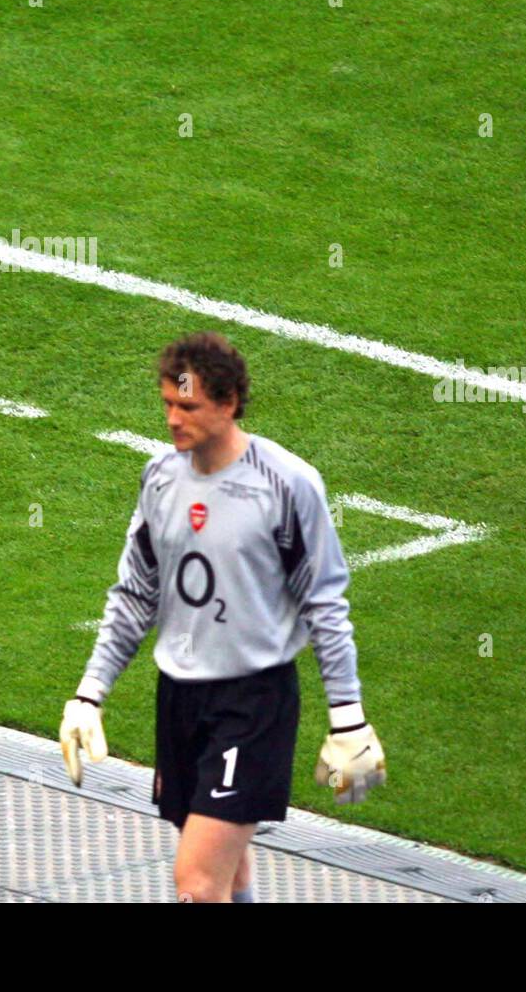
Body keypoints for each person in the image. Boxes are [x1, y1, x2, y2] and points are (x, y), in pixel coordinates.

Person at [59, 331, 386, 901]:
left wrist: (349, 719)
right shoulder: (160, 478)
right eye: (166, 404)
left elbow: (325, 604)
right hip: (180, 697)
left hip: (252, 704)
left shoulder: (287, 485)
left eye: (187, 406)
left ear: (229, 403)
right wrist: (90, 694)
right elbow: (136, 593)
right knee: (229, 876)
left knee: (196, 883)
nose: (172, 420)